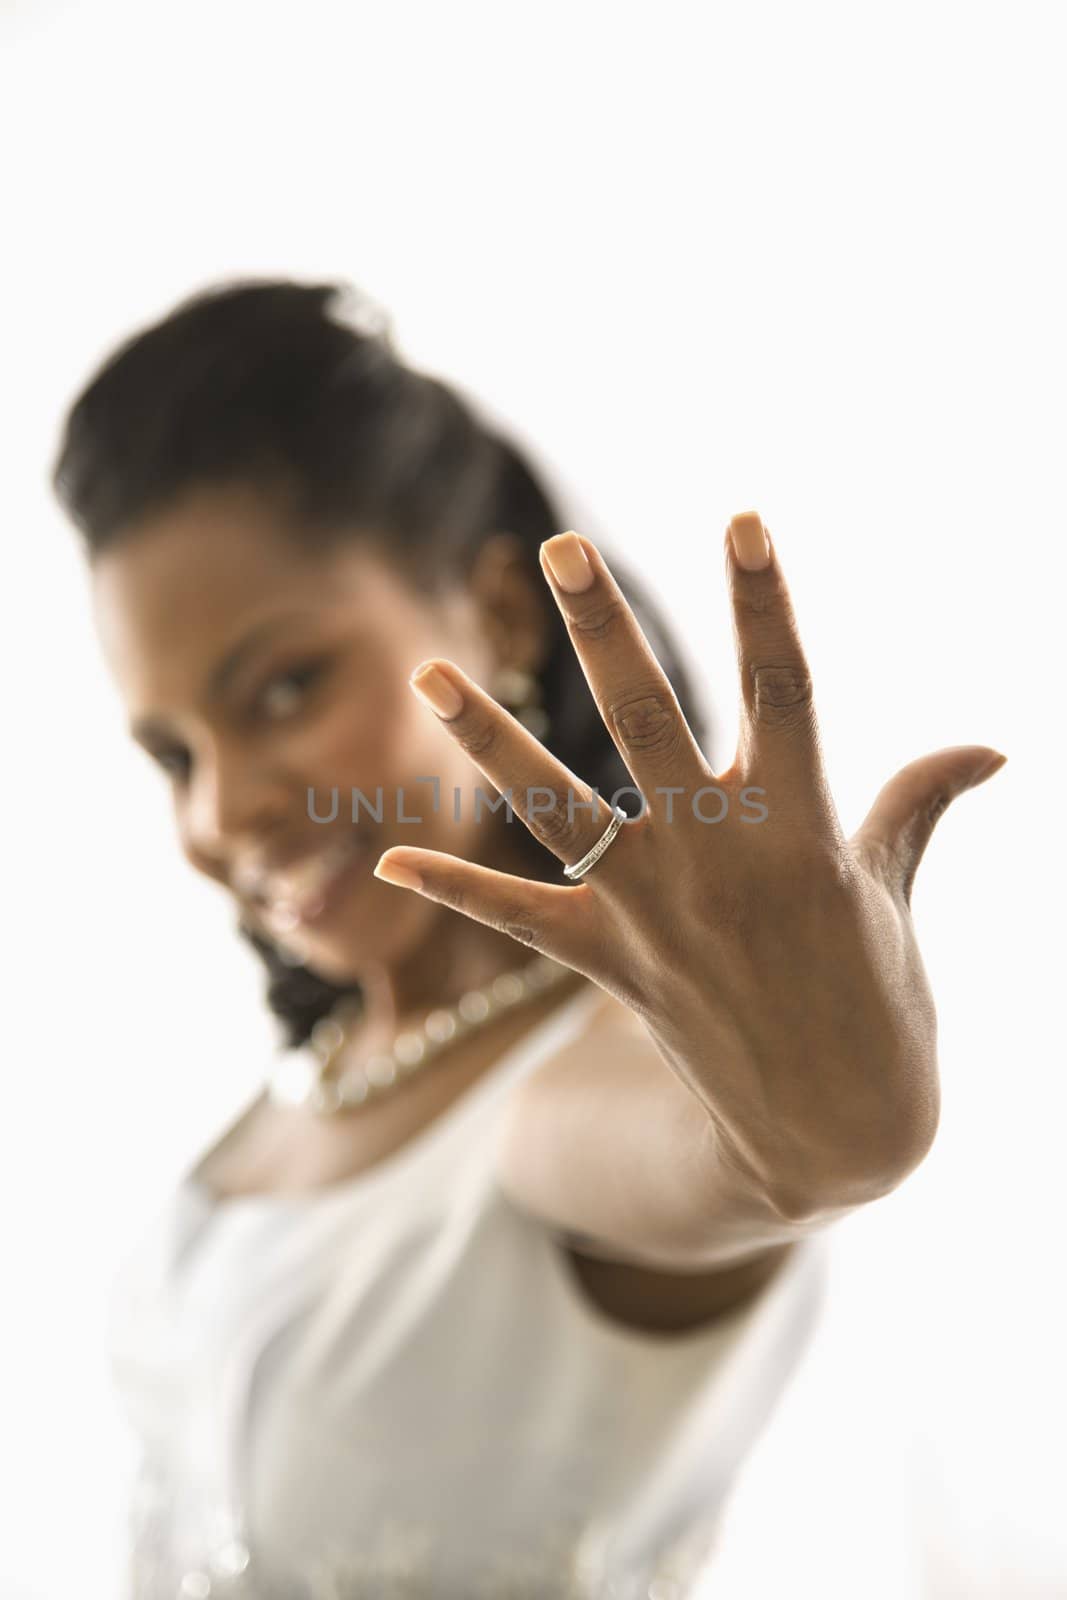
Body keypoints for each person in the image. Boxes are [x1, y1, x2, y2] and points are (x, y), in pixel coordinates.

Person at [52, 278, 1006, 1599]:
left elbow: (751, 1148)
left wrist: (833, 1117)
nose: (225, 810)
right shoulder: (332, 1063)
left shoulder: (582, 1074)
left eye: (283, 688)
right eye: (173, 755)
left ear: (500, 614)